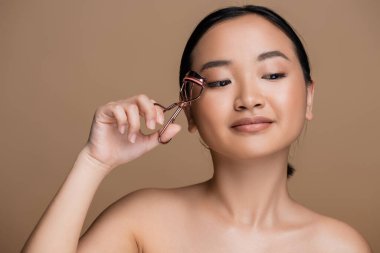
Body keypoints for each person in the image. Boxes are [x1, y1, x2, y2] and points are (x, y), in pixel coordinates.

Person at [22, 5, 372, 253]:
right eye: (220, 82)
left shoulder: (339, 245)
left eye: (273, 75)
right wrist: (93, 162)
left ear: (309, 97)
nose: (249, 99)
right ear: (189, 110)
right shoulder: (143, 221)